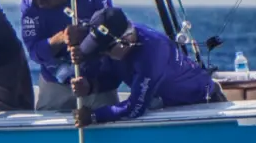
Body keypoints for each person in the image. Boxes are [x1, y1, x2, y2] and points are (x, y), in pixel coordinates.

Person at [70, 7, 224, 128]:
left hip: (202, 103)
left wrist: (94, 116)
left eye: (105, 50)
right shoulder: (115, 44)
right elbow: (113, 76)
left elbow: (135, 108)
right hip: (168, 104)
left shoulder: (152, 54)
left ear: (125, 41)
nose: (103, 54)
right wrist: (90, 86)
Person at [20, 0, 121, 111]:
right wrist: (61, 38)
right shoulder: (30, 4)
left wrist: (87, 39)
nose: (39, 5)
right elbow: (35, 52)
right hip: (55, 83)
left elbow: (112, 31)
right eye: (36, 0)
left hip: (95, 81)